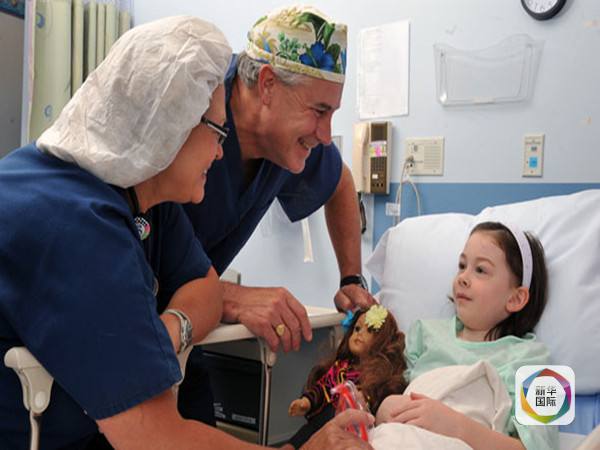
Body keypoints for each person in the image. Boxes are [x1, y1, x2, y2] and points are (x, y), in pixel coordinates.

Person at [0, 16, 373, 450]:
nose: (220, 151)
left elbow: (206, 287)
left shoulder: (146, 198)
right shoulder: (78, 223)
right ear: (169, 126)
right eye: (217, 131)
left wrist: (169, 332)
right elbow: (154, 437)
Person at [180, 4, 376, 423]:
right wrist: (230, 298)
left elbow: (339, 182)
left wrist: (351, 279)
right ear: (267, 84)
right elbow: (134, 256)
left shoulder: (281, 139)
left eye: (332, 114)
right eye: (319, 111)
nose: (326, 135)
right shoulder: (190, 113)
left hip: (184, 335)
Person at [375, 222, 558, 449]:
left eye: (480, 270)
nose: (462, 277)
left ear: (516, 298)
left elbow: (544, 447)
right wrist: (384, 407)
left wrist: (457, 427)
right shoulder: (423, 334)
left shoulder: (540, 364)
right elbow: (392, 394)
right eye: (462, 266)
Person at [286, 305, 406, 449]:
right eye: (357, 329)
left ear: (383, 340)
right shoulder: (340, 366)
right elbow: (323, 386)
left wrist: (365, 400)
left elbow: (381, 400)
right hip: (322, 420)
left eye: (370, 330)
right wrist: (307, 402)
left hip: (351, 427)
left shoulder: (381, 375)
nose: (359, 334)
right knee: (302, 436)